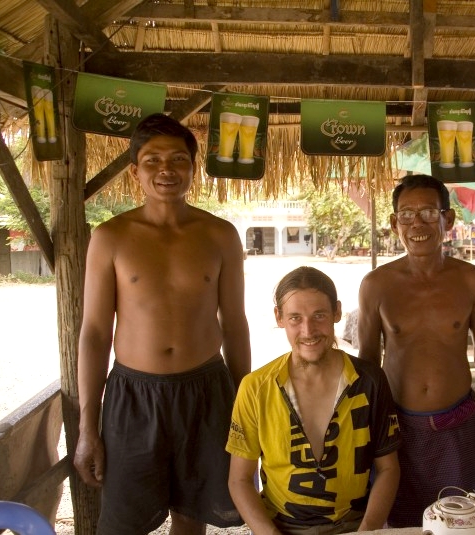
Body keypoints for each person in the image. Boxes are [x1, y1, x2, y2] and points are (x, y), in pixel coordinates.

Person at [74, 113, 251, 534]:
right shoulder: (111, 237)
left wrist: (247, 411)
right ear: (135, 171)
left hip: (207, 392)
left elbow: (236, 324)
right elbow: (95, 333)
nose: (166, 170)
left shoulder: (220, 234)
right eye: (152, 160)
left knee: (192, 520)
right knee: (124, 523)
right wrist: (87, 427)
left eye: (178, 159)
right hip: (134, 396)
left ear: (193, 168)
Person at [357, 174, 475, 527]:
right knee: (401, 523)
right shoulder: (377, 285)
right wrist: (364, 429)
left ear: (447, 219)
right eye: (406, 215)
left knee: (460, 524)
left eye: (427, 212)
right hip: (396, 428)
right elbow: (366, 363)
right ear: (394, 224)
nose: (416, 224)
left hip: (458, 424)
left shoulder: (471, 280)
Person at [227, 266, 401, 535]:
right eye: (295, 318)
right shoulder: (256, 388)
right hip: (281, 526)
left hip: (354, 525)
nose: (308, 331)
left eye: (319, 315)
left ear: (337, 312)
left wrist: (367, 531)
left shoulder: (369, 381)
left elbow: (388, 469)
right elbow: (239, 480)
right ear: (279, 317)